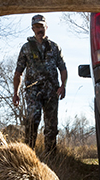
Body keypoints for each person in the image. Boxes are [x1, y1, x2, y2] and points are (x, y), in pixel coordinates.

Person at [13, 14, 67, 152]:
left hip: (51, 91)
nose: (39, 30)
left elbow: (63, 68)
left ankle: (51, 157)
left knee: (51, 126)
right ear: (32, 29)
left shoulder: (54, 47)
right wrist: (16, 93)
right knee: (32, 121)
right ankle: (28, 154)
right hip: (33, 92)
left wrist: (63, 86)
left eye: (41, 26)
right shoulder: (26, 48)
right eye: (36, 27)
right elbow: (18, 72)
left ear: (46, 27)